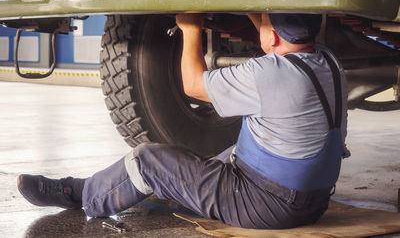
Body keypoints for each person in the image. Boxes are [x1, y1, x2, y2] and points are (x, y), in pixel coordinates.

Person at [17, 13, 349, 229]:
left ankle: (81, 193)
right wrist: (251, 12)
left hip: (266, 207)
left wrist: (192, 29)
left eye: (262, 20)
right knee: (211, 160)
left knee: (147, 160)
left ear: (273, 39)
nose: (257, 21)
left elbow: (192, 84)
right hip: (312, 202)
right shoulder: (328, 62)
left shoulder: (269, 73)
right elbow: (273, 41)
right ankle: (173, 190)